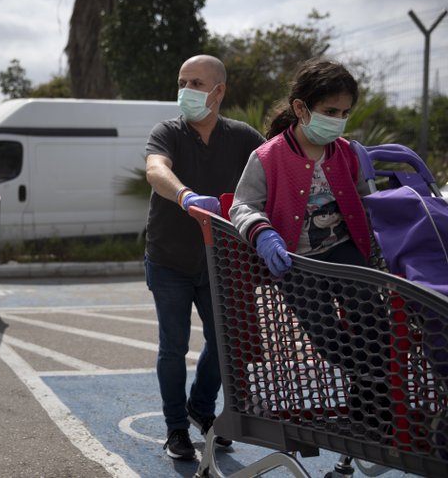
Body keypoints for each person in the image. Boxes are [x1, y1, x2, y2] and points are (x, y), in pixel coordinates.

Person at [228, 58, 387, 431]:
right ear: (301, 108)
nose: (338, 119)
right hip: (297, 261)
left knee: (373, 319)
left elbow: (367, 199)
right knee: (327, 337)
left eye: (345, 112)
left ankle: (370, 400)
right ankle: (367, 388)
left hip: (344, 250)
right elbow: (243, 205)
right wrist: (264, 234)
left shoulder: (346, 152)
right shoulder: (267, 157)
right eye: (330, 111)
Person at [144, 54, 266, 460]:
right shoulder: (168, 131)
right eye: (182, 82)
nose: (186, 91)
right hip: (169, 259)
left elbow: (274, 169)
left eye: (196, 83)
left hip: (222, 262)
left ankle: (200, 404)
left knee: (225, 343)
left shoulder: (243, 137)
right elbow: (155, 169)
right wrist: (185, 195)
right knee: (172, 347)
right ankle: (177, 428)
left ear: (219, 91)